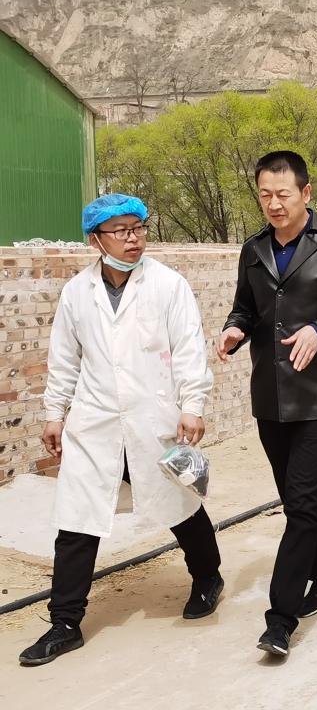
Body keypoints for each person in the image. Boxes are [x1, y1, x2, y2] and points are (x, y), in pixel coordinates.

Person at [20, 194, 222, 667]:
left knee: (180, 504)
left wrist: (192, 405)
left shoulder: (168, 285)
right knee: (77, 519)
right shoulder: (77, 293)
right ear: (96, 240)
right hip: (95, 423)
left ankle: (207, 577)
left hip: (154, 417)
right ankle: (65, 622)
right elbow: (64, 359)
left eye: (139, 227)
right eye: (121, 231)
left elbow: (189, 350)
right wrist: (54, 414)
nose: (133, 238)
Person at [217, 151, 317, 656]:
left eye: (283, 194)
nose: (274, 204)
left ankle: (280, 619)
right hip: (270, 394)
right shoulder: (253, 248)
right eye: (265, 194)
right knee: (296, 502)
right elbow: (246, 307)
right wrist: (235, 329)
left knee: (303, 504)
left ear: (306, 193)